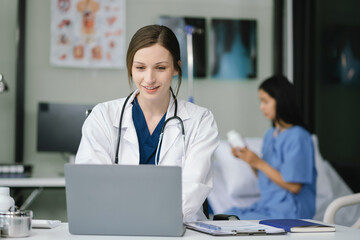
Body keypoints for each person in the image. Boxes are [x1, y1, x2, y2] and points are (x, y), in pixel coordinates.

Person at [75, 25, 219, 222]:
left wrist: (158, 219)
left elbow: (193, 185)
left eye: (160, 68)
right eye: (140, 68)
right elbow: (92, 183)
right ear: (130, 68)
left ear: (176, 68)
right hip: (116, 226)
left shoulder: (200, 120)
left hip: (178, 227)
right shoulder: (103, 116)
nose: (149, 79)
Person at [225, 75, 316, 219]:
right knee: (225, 217)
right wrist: (249, 159)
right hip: (267, 206)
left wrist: (258, 162)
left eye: (265, 101)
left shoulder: (299, 137)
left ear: (281, 100)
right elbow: (266, 177)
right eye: (260, 101)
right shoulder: (270, 135)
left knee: (232, 223)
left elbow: (294, 186)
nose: (261, 107)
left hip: (289, 212)